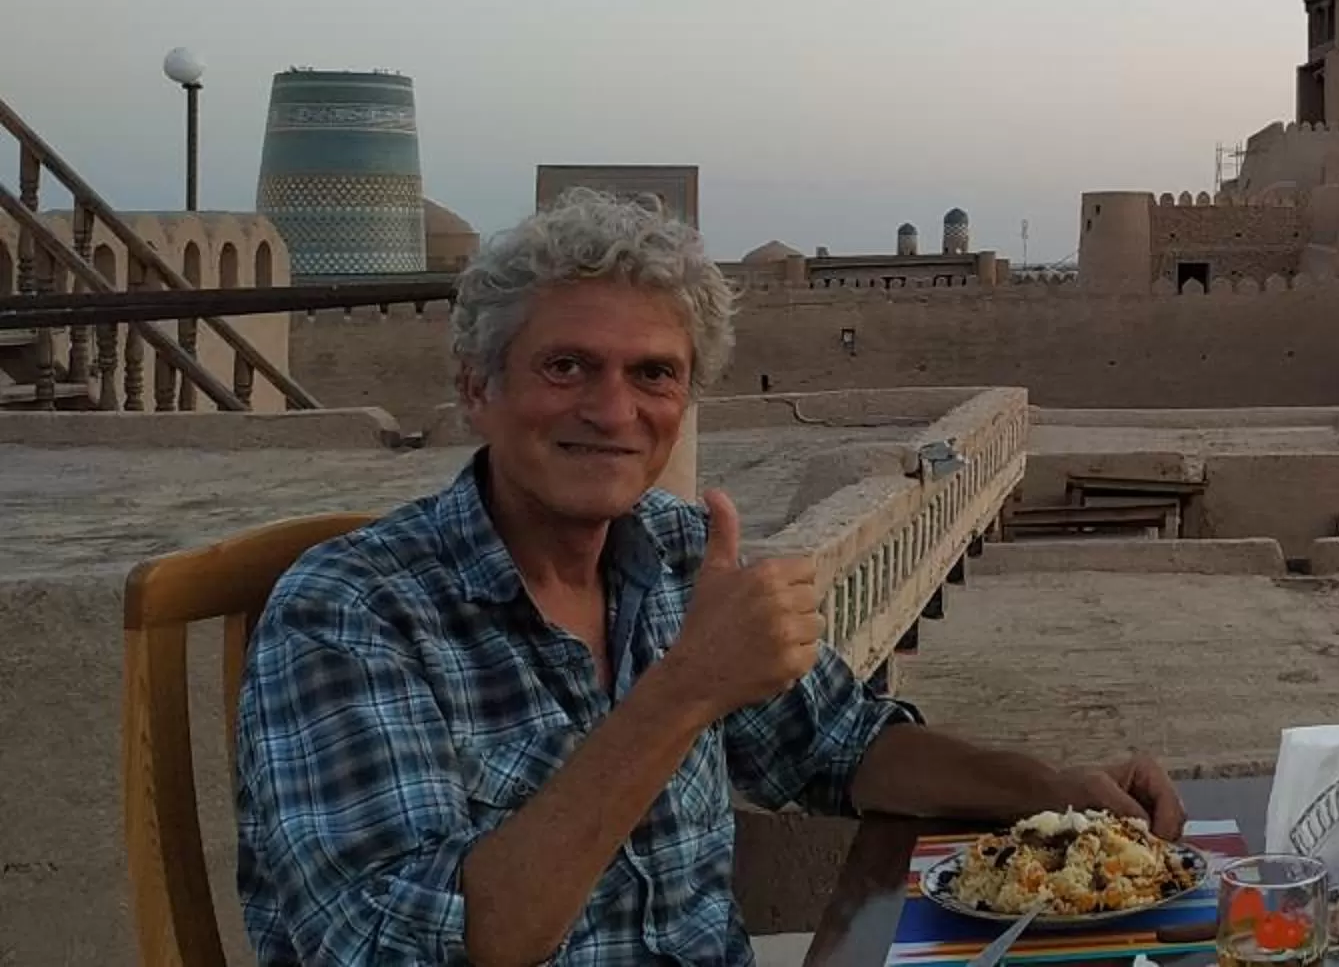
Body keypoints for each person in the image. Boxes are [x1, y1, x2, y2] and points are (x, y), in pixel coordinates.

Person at [237, 189, 1184, 965]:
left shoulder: (677, 552)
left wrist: (1055, 790)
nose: (614, 411)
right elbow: (412, 951)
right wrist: (686, 689)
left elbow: (841, 746)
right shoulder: (353, 612)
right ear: (478, 387)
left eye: (654, 376)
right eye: (567, 367)